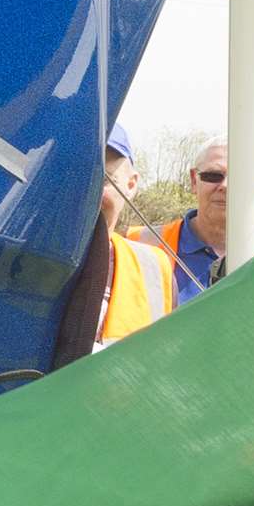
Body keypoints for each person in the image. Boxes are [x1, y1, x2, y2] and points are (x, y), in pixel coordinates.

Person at [128, 135, 254, 304]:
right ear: (193, 181)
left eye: (241, 176)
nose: (225, 186)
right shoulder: (139, 243)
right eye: (213, 175)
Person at [97, 124, 174, 345]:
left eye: (105, 179)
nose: (89, 188)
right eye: (76, 175)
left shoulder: (154, 270)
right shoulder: (9, 258)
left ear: (131, 185)